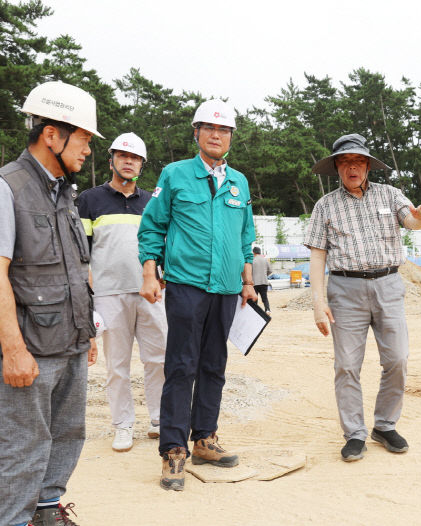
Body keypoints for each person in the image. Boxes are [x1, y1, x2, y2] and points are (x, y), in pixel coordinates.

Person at [137, 99, 257, 491]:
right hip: (186, 286)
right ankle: (173, 450)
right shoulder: (175, 175)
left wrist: (248, 282)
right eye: (209, 128)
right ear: (197, 133)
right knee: (181, 366)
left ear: (231, 138)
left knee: (213, 366)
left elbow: (245, 238)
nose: (216, 135)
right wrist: (150, 273)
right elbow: (152, 227)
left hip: (226, 289)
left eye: (223, 130)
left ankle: (204, 437)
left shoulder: (238, 182)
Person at [0, 81, 101, 526]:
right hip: (32, 350)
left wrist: (88, 331)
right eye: (83, 139)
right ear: (51, 135)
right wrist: (13, 350)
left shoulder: (65, 193)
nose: (88, 151)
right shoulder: (9, 188)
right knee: (23, 446)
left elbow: (76, 269)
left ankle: (45, 511)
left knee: (66, 435)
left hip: (71, 342)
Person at [304, 133, 421, 462]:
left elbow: (411, 221)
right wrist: (319, 302)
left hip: (388, 285)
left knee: (398, 359)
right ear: (336, 168)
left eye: (358, 161)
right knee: (347, 365)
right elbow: (317, 256)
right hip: (345, 291)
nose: (352, 168)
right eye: (345, 162)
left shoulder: (390, 195)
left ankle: (385, 424)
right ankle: (355, 433)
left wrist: (420, 217)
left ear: (368, 166)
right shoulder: (325, 206)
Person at [76, 133, 167, 453]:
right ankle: (123, 425)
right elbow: (80, 252)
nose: (129, 162)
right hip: (108, 294)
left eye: (135, 158)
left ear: (142, 164)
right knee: (117, 365)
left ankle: (159, 419)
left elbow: (162, 243)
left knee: (158, 359)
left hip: (150, 292)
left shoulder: (152, 202)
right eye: (123, 156)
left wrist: (162, 275)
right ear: (112, 159)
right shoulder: (89, 200)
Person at [252, 246, 272, 315]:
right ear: (260, 252)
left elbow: (249, 271)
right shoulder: (265, 260)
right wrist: (265, 275)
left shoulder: (252, 260)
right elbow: (270, 270)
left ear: (253, 252)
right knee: (265, 298)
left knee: (254, 298)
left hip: (255, 282)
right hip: (264, 282)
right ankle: (267, 310)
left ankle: (255, 312)